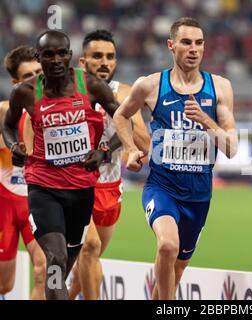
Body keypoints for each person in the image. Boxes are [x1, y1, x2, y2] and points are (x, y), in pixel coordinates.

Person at [113, 17, 238, 300]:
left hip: (199, 195)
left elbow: (231, 148)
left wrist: (207, 121)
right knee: (167, 246)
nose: (193, 49)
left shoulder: (219, 88)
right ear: (171, 45)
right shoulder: (150, 85)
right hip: (162, 188)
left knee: (177, 269)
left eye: (199, 43)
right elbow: (121, 115)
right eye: (186, 42)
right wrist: (130, 149)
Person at [2, 30, 120, 300]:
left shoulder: (90, 85)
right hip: (43, 187)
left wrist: (103, 151)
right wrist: (13, 146)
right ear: (39, 57)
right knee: (54, 259)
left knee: (62, 267)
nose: (55, 60)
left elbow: (125, 120)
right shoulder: (26, 91)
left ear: (70, 55)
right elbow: (8, 124)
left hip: (81, 188)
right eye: (48, 54)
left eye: (61, 53)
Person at [68, 29, 150, 300]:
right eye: (97, 56)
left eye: (110, 57)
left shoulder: (125, 94)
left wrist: (117, 111)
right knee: (89, 248)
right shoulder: (68, 91)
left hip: (109, 186)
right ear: (83, 62)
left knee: (89, 262)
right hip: (72, 185)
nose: (105, 62)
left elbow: (144, 143)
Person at [0, 46, 46, 299]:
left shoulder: (57, 110)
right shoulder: (5, 111)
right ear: (15, 82)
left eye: (39, 72)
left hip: (37, 203)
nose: (37, 80)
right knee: (4, 285)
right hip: (4, 203)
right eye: (28, 76)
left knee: (44, 269)